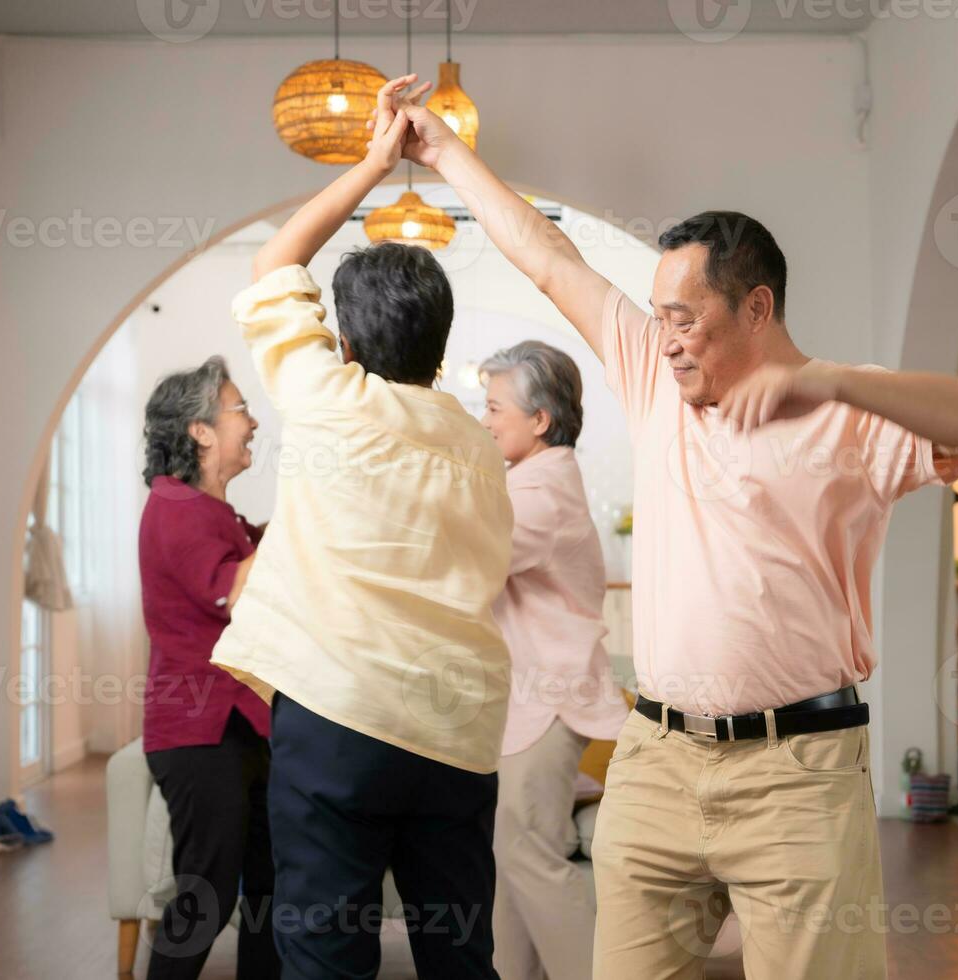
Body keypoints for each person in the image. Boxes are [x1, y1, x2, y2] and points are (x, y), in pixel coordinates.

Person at [388, 90, 958, 978]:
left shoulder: (852, 411)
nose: (668, 338)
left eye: (686, 317)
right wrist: (445, 151)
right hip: (655, 763)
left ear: (756, 309)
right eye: (660, 317)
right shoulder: (653, 372)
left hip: (797, 773)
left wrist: (838, 382)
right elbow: (546, 254)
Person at [208, 75, 513, 979]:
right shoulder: (480, 442)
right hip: (457, 727)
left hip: (339, 715)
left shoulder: (329, 398)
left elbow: (275, 266)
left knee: (326, 954)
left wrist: (376, 162)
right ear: (440, 342)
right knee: (461, 956)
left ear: (345, 343)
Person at [479, 341, 629, 980]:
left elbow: (473, 556)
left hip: (549, 700)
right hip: (531, 701)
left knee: (527, 854)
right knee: (513, 858)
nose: (485, 421)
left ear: (539, 419)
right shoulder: (530, 479)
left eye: (494, 408)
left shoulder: (541, 490)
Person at [137, 356, 280, 980]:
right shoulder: (176, 507)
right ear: (200, 431)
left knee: (269, 889)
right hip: (198, 732)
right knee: (209, 892)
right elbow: (232, 592)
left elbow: (257, 551)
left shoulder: (212, 511)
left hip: (240, 723)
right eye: (239, 408)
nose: (251, 422)